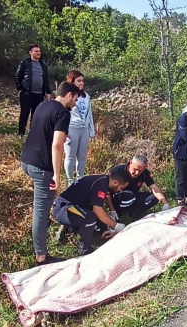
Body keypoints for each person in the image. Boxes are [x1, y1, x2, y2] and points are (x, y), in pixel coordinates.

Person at [20, 81, 79, 267]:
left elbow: (42, 130)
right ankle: (41, 258)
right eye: (75, 99)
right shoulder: (63, 113)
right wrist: (56, 174)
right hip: (42, 167)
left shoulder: (43, 105)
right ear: (69, 95)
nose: (75, 104)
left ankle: (41, 245)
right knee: (40, 212)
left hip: (27, 160)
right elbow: (57, 145)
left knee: (42, 207)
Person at [53, 168, 130, 256]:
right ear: (115, 183)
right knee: (90, 219)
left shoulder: (103, 180)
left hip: (78, 209)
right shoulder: (101, 184)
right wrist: (116, 225)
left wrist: (109, 226)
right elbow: (97, 210)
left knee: (101, 227)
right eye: (121, 188)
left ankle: (72, 228)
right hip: (63, 209)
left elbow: (98, 207)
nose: (120, 190)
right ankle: (85, 250)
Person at [108, 155, 170, 220]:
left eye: (140, 171)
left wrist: (165, 203)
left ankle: (135, 213)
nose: (137, 173)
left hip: (134, 196)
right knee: (129, 195)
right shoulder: (117, 171)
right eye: (135, 169)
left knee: (154, 197)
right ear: (131, 163)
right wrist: (112, 210)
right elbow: (107, 192)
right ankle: (119, 213)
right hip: (118, 198)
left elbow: (154, 188)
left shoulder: (145, 173)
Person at [64, 70, 95, 185]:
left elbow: (90, 114)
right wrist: (64, 131)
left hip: (84, 129)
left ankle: (80, 179)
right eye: (79, 81)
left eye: (82, 81)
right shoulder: (67, 96)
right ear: (72, 81)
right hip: (72, 128)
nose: (82, 83)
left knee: (82, 156)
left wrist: (91, 131)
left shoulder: (86, 96)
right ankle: (70, 181)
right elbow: (63, 113)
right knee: (70, 156)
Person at [16, 44, 52, 137]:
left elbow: (46, 80)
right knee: (25, 113)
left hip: (39, 95)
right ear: (30, 52)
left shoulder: (43, 65)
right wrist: (20, 88)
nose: (38, 53)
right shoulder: (25, 63)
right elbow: (17, 76)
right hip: (27, 93)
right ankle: (21, 134)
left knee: (36, 115)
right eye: (36, 51)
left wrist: (48, 92)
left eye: (39, 51)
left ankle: (33, 135)